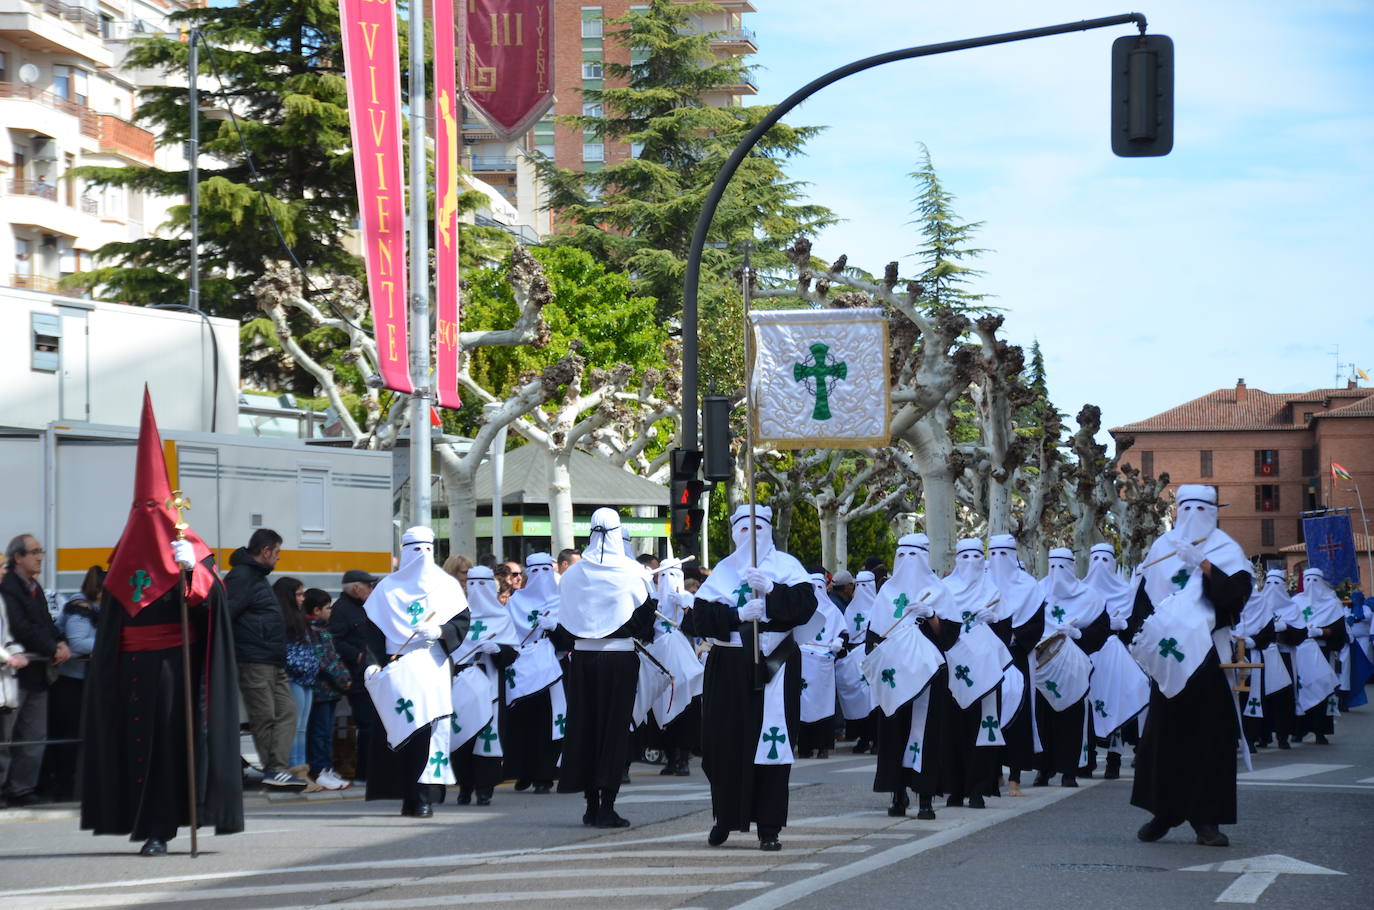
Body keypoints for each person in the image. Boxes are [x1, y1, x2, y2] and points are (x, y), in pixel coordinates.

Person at [79, 388, 242, 853]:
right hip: (130, 671)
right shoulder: (122, 555)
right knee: (133, 744)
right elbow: (112, 615)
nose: (148, 517)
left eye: (155, 509)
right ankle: (138, 817)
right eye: (142, 510)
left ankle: (162, 826)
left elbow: (214, 606)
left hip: (175, 666)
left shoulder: (190, 547)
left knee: (169, 745)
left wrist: (191, 573)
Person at [684, 505, 818, 851]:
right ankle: (725, 819)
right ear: (733, 533)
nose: (751, 535)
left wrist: (773, 591)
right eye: (743, 529)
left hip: (776, 662)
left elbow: (805, 606)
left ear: (770, 529)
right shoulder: (723, 572)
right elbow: (700, 618)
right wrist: (736, 614)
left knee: (771, 743)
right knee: (722, 743)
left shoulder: (788, 567)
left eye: (758, 527)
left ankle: (769, 826)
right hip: (728, 665)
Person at [1128, 484, 1253, 847]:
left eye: (1202, 507)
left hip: (1210, 657)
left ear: (1215, 510)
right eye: (1186, 507)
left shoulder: (1227, 549)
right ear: (1176, 510)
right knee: (1164, 738)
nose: (1193, 514)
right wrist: (1145, 641)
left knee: (1210, 740)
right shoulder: (1161, 549)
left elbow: (1235, 597)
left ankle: (1206, 820)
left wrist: (1204, 564)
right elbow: (1143, 598)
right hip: (1168, 657)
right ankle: (1164, 811)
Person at [554, 508, 657, 828]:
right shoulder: (634, 573)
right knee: (613, 731)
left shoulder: (572, 574)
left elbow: (564, 623)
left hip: (582, 661)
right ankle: (606, 804)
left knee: (584, 727)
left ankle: (590, 803)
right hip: (618, 660)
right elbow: (646, 620)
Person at [363, 526, 469, 818]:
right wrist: (371, 663)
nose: (421, 556)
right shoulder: (386, 588)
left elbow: (461, 623)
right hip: (398, 667)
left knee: (429, 732)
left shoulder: (447, 586)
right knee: (403, 731)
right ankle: (405, 794)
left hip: (432, 665)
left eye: (427, 549)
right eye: (414, 549)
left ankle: (424, 796)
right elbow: (371, 630)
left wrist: (440, 630)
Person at [868, 535, 948, 820]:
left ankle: (925, 795)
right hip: (894, 674)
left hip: (928, 676)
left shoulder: (938, 591)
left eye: (914, 556)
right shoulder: (887, 591)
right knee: (893, 733)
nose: (908, 563)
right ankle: (897, 793)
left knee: (925, 733)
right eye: (903, 555)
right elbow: (874, 635)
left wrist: (931, 615)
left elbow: (949, 637)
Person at [225, 528, 303, 787]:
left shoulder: (255, 577)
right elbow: (226, 614)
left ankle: (277, 767)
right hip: (254, 659)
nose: (279, 558)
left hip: (271, 659)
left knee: (287, 711)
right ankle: (274, 770)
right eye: (277, 552)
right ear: (266, 551)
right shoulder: (243, 577)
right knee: (264, 715)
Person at [935, 539, 1008, 809]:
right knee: (951, 729)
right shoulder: (944, 590)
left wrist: (995, 620)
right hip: (953, 666)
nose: (971, 562)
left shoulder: (994, 592)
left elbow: (1006, 634)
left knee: (981, 728)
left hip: (985, 670)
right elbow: (937, 628)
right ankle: (953, 788)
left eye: (977, 556)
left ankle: (979, 787)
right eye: (964, 556)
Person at [1, 533, 69, 807]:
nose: (40, 556)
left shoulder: (34, 586)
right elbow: (19, 626)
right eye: (34, 551)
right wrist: (51, 648)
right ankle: (3, 788)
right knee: (6, 736)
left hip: (38, 674)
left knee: (34, 735)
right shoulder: (8, 588)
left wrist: (60, 641)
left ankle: (21, 788)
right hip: (14, 676)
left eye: (41, 551)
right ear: (18, 557)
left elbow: (44, 621)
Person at [1032, 548, 1110, 787]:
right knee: (1043, 718)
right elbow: (1027, 621)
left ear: (1072, 567)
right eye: (1052, 566)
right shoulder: (1038, 593)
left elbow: (1101, 631)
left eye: (1062, 567)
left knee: (1072, 719)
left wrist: (1078, 633)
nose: (1057, 573)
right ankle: (1043, 769)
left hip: (1074, 667)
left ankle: (1069, 770)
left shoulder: (1090, 597)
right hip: (1043, 666)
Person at [451, 565, 519, 806]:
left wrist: (499, 650)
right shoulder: (458, 616)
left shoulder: (501, 618)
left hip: (491, 685)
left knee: (488, 737)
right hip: (463, 684)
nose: (477, 590)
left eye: (483, 584)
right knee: (463, 734)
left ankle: (485, 788)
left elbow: (513, 654)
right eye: (472, 584)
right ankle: (464, 786)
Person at [41, 566, 104, 801]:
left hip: (80, 681)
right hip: (71, 682)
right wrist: (110, 644)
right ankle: (61, 787)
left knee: (71, 735)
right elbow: (78, 644)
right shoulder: (81, 609)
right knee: (67, 736)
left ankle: (66, 785)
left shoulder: (90, 607)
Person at [986, 535, 1043, 794]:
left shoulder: (1029, 587)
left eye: (1003, 554)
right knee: (991, 714)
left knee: (1018, 715)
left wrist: (1014, 636)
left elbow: (1036, 624)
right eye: (993, 553)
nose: (998, 560)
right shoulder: (983, 584)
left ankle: (1015, 777)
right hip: (988, 657)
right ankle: (993, 772)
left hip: (1018, 656)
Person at [504, 553, 563, 793]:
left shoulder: (562, 602)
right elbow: (507, 632)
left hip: (553, 672)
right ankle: (523, 771)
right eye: (535, 571)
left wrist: (555, 630)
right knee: (522, 723)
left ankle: (544, 775)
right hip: (523, 668)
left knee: (548, 723)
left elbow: (572, 637)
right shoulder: (515, 601)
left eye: (545, 571)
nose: (541, 577)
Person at [328, 569, 382, 783]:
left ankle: (373, 770)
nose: (372, 590)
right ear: (357, 587)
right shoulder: (341, 610)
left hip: (372, 675)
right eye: (369, 586)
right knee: (367, 725)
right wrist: (357, 655)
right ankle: (364, 773)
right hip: (357, 677)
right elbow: (335, 640)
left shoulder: (367, 608)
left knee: (374, 724)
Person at [1289, 567, 1349, 744]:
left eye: (1315, 580)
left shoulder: (1332, 604)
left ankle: (1320, 730)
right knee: (1300, 689)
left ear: (1321, 582)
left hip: (1323, 652)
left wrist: (1323, 632)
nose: (1311, 585)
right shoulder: (1296, 602)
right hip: (1300, 652)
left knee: (1322, 688)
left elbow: (1340, 632)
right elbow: (1290, 624)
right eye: (1307, 580)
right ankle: (1298, 730)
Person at [302, 588, 352, 789]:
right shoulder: (314, 632)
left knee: (326, 731)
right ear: (316, 610)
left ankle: (326, 768)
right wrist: (343, 678)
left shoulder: (322, 629)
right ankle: (319, 769)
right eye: (327, 608)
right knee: (320, 732)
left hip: (329, 691)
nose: (331, 611)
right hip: (322, 691)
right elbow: (325, 660)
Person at [795, 568, 845, 761]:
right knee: (802, 705)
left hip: (823, 663)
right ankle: (805, 746)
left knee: (823, 705)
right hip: (804, 661)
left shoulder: (832, 611)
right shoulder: (800, 611)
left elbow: (843, 631)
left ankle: (823, 746)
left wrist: (839, 642)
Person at [1255, 570, 1301, 749]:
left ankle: (1283, 735)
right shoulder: (1258, 606)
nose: (1272, 588)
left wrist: (1285, 628)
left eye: (1276, 584)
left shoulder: (1292, 608)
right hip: (1263, 655)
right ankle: (1262, 735)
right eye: (1268, 583)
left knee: (1283, 696)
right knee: (1262, 695)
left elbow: (1300, 633)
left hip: (1284, 656)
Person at [277, 577, 315, 775]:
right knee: (295, 725)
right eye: (299, 594)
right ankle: (294, 766)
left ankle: (301, 767)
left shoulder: (298, 617)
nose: (302, 598)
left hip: (305, 676)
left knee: (302, 726)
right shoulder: (283, 618)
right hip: (294, 676)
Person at [845, 570, 879, 753]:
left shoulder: (879, 607)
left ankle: (877, 739)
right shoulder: (850, 609)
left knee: (875, 699)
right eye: (859, 585)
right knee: (862, 700)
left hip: (873, 655)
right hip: (855, 659)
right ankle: (864, 738)